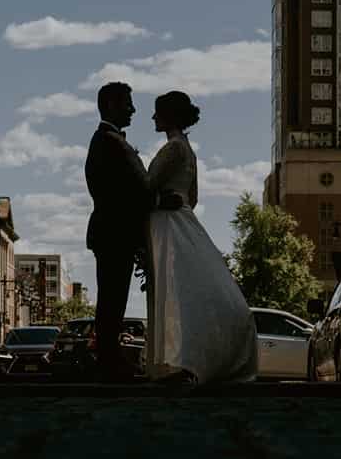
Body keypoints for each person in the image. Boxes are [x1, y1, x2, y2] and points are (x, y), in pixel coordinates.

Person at [143, 90, 258, 385]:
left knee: (173, 290)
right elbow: (192, 197)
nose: (153, 117)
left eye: (157, 112)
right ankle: (185, 359)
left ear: (169, 115)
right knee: (187, 288)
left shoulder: (173, 150)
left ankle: (176, 360)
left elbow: (147, 187)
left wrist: (157, 206)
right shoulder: (188, 150)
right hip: (183, 218)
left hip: (168, 221)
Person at [85, 82, 152, 382]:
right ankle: (108, 362)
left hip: (113, 233)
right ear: (111, 104)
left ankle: (109, 360)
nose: (133, 109)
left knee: (113, 299)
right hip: (115, 234)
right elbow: (133, 190)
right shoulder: (109, 142)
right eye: (128, 102)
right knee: (112, 300)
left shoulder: (107, 141)